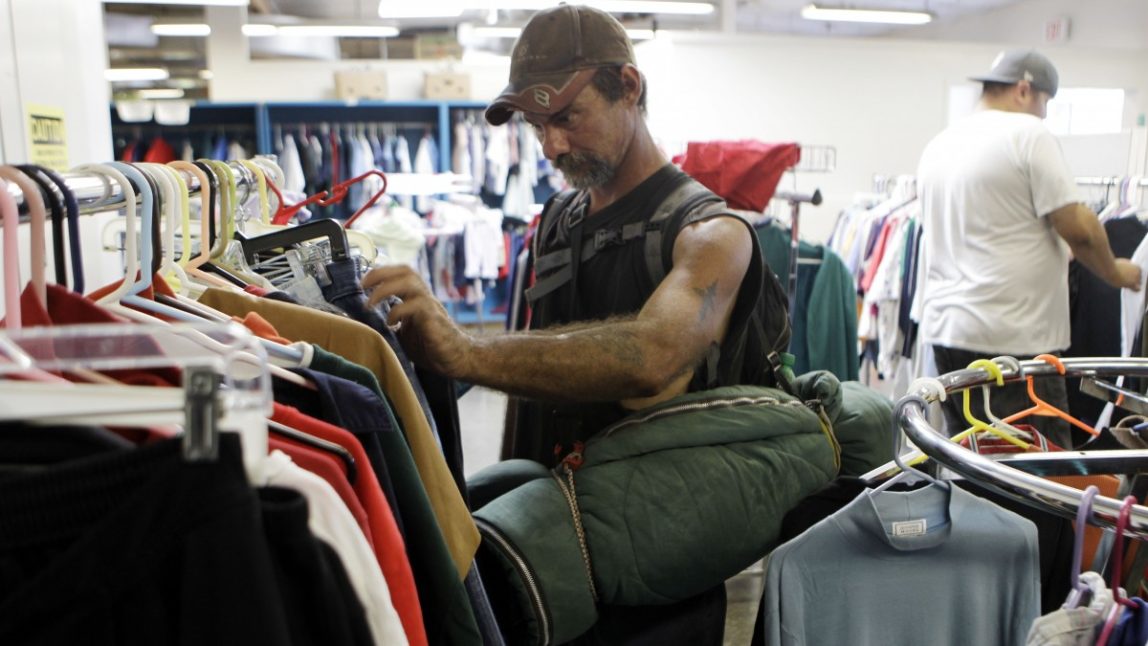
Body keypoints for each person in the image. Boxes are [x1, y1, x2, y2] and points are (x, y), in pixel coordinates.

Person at [362, 4, 782, 643]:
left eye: (566, 117)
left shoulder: (711, 234)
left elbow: (653, 357)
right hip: (549, 547)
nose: (551, 145)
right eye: (537, 125)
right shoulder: (557, 222)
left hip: (660, 567)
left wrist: (466, 350)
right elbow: (536, 363)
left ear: (629, 88)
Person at [916, 49, 1142, 448]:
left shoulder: (941, 143)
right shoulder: (1027, 135)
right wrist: (1119, 273)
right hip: (1011, 342)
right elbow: (1081, 229)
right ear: (1024, 90)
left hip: (948, 332)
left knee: (972, 459)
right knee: (1040, 476)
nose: (1045, 115)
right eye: (1046, 103)